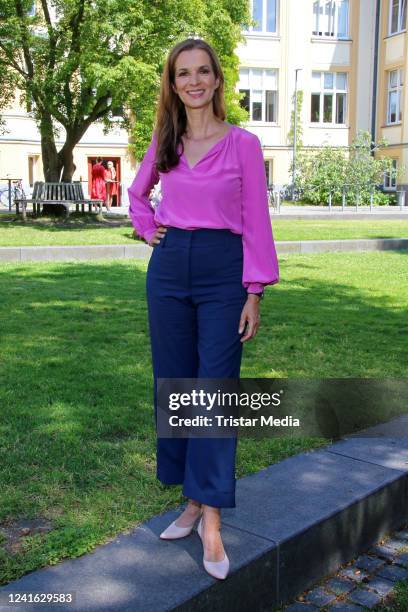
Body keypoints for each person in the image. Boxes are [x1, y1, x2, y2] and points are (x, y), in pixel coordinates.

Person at [128, 38, 279, 580]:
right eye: (182, 74)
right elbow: (137, 194)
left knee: (215, 388)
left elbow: (257, 221)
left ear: (218, 80)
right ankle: (190, 500)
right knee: (176, 382)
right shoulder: (165, 140)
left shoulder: (243, 143)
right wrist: (148, 229)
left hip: (222, 271)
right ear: (173, 84)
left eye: (202, 72)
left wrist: (254, 290)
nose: (192, 81)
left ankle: (210, 517)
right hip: (168, 271)